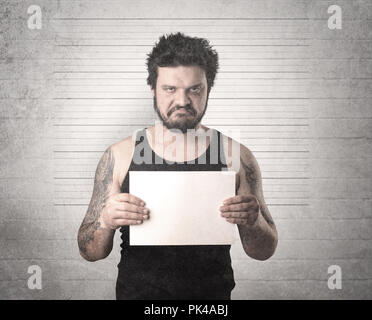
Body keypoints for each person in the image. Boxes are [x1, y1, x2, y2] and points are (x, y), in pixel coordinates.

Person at [77, 32, 278, 300]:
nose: (182, 101)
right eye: (170, 89)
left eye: (194, 89)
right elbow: (90, 252)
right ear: (153, 88)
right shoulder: (120, 155)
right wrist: (106, 220)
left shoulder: (237, 156)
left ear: (208, 88)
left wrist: (253, 221)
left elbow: (263, 252)